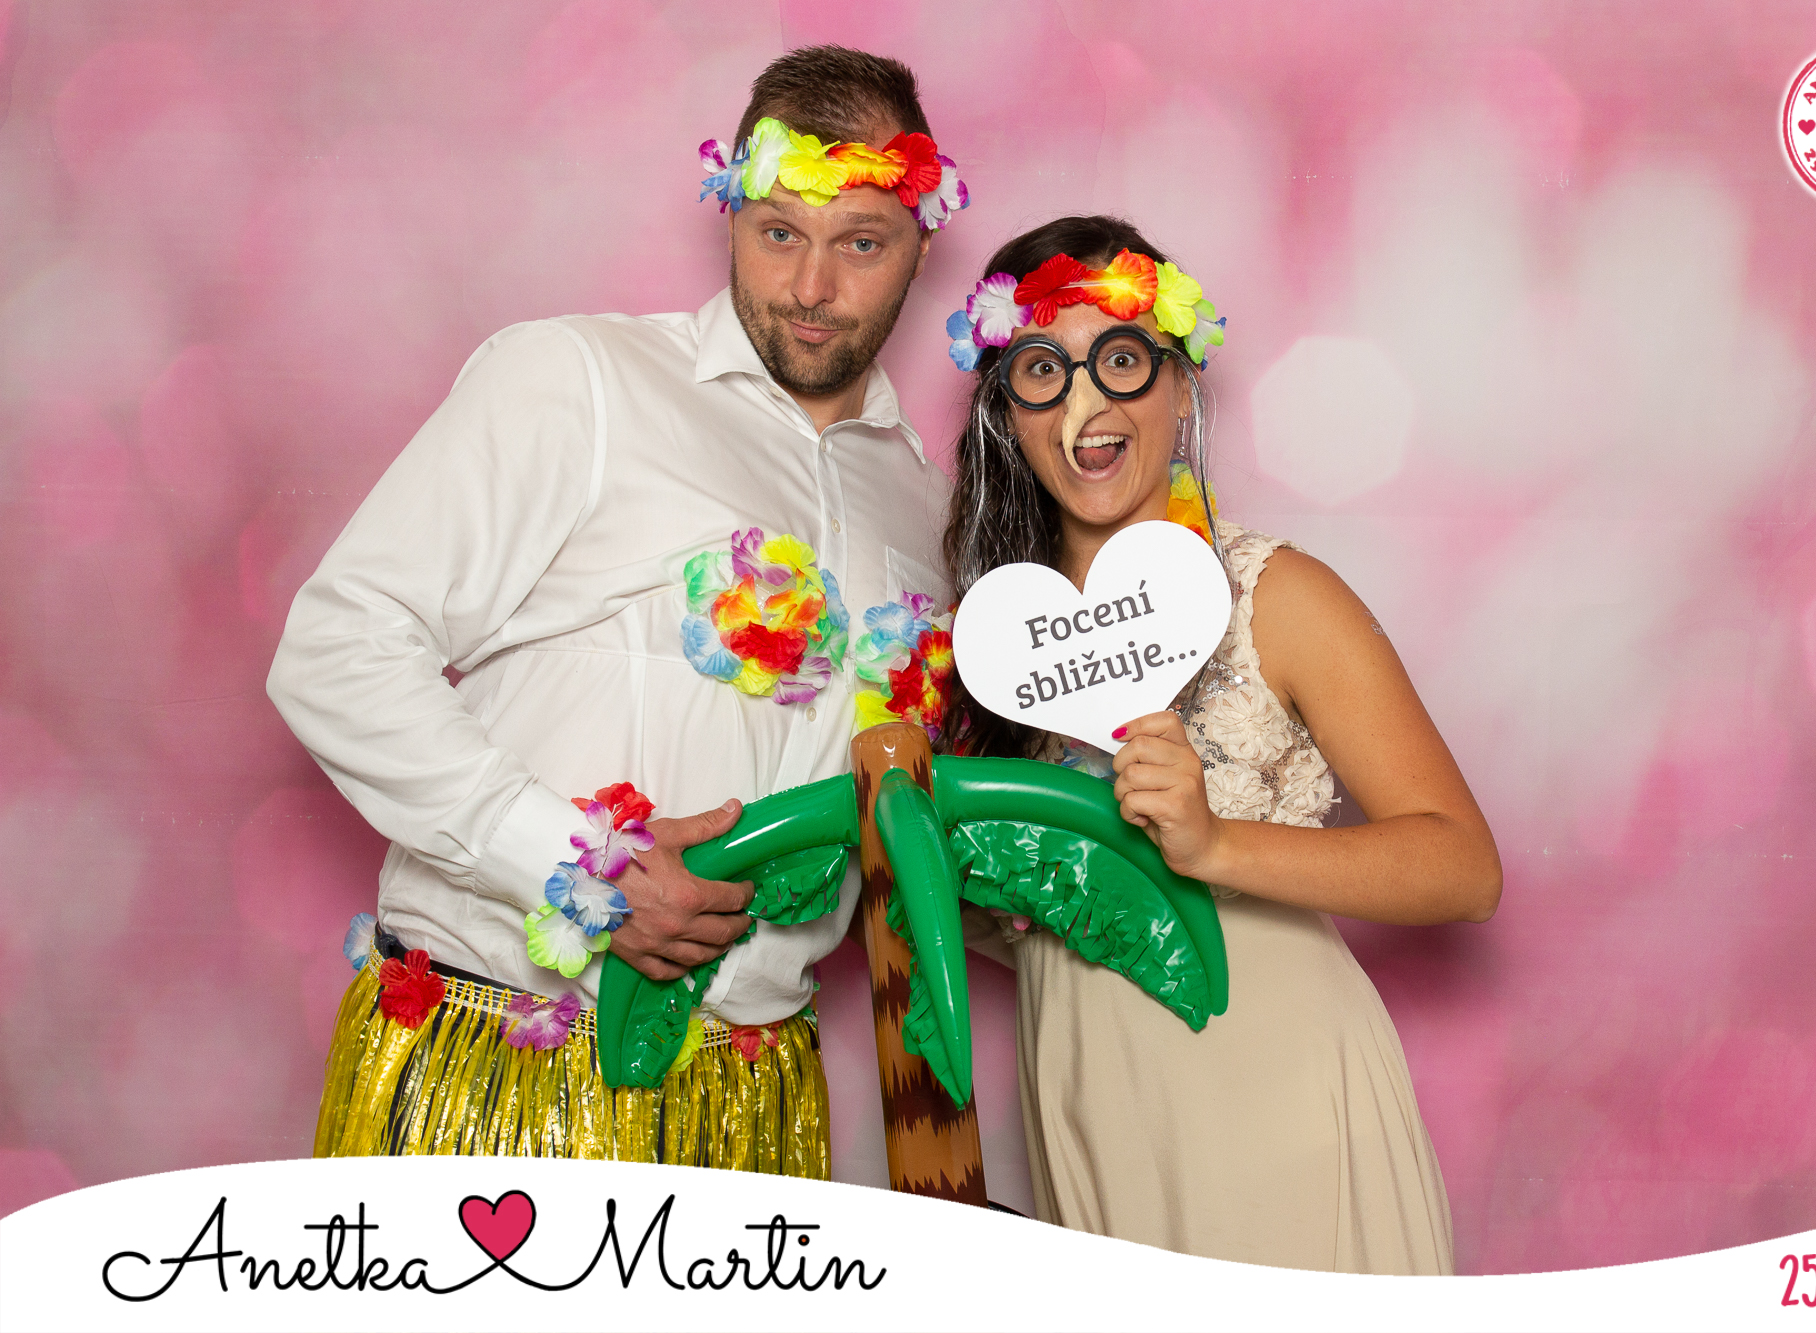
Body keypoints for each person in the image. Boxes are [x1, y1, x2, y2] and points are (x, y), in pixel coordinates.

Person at [267, 46, 969, 1173]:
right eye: (778, 232)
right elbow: (336, 648)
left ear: (920, 244)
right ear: (730, 212)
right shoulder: (579, 381)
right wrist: (578, 866)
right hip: (502, 1064)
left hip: (755, 1097)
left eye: (860, 244)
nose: (809, 287)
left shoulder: (927, 509)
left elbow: (910, 826)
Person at [937, 216, 1502, 1271]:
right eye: (1042, 370)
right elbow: (1016, 908)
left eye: (1119, 359)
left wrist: (1214, 845)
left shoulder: (1276, 595)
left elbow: (1462, 868)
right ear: (1005, 412)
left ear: (1179, 382)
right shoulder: (987, 644)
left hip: (1274, 1096)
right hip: (1092, 1099)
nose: (1087, 405)